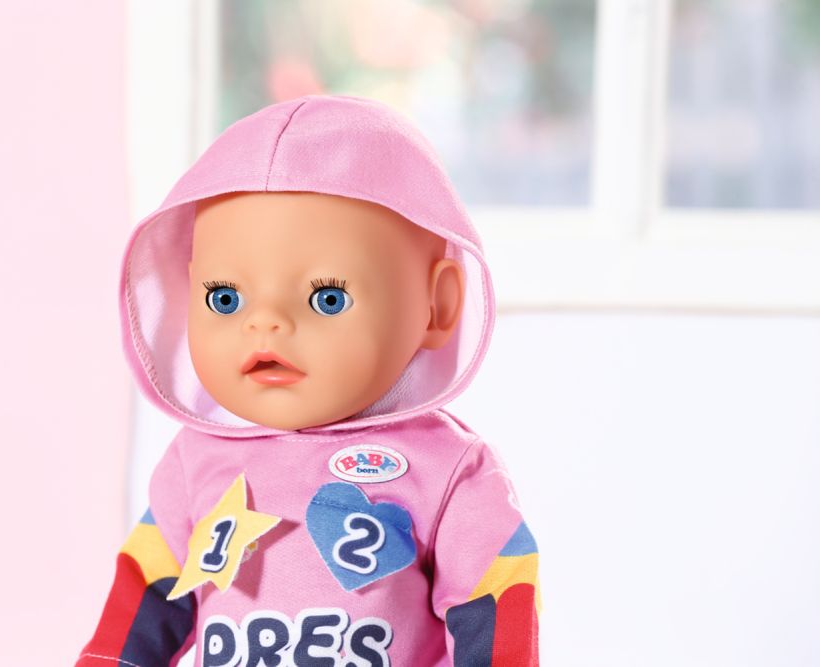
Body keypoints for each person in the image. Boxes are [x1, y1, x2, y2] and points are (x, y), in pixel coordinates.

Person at [76, 94, 541, 667]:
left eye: (328, 298)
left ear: (437, 306)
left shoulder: (447, 468)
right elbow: (144, 597)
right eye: (225, 299)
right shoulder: (193, 463)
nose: (265, 324)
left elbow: (495, 597)